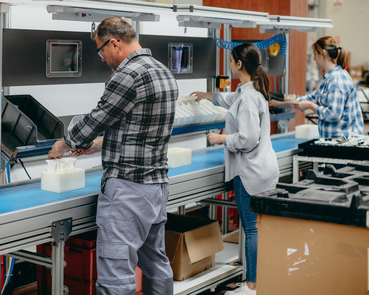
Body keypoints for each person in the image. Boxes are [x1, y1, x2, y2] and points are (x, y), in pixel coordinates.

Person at [48, 17, 178, 295]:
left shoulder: (129, 74)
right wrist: (97, 145)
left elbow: (97, 118)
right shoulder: (163, 71)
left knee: (116, 276)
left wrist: (65, 142)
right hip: (156, 188)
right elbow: (140, 129)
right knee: (156, 264)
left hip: (128, 192)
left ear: (114, 43)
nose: (103, 58)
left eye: (101, 50)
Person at [192, 43, 279, 295]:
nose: (229, 65)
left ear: (239, 64)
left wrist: (222, 139)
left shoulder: (250, 98)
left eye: (231, 61)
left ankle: (251, 287)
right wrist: (207, 95)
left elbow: (248, 139)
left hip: (250, 171)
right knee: (258, 228)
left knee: (251, 229)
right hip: (263, 169)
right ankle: (259, 279)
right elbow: (230, 99)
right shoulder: (248, 91)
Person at [269, 36, 364, 138]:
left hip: (345, 143)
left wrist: (310, 106)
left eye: (315, 54)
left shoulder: (337, 79)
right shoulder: (328, 79)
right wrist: (279, 104)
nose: (314, 59)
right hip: (336, 142)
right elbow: (309, 98)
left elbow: (333, 115)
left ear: (323, 53)